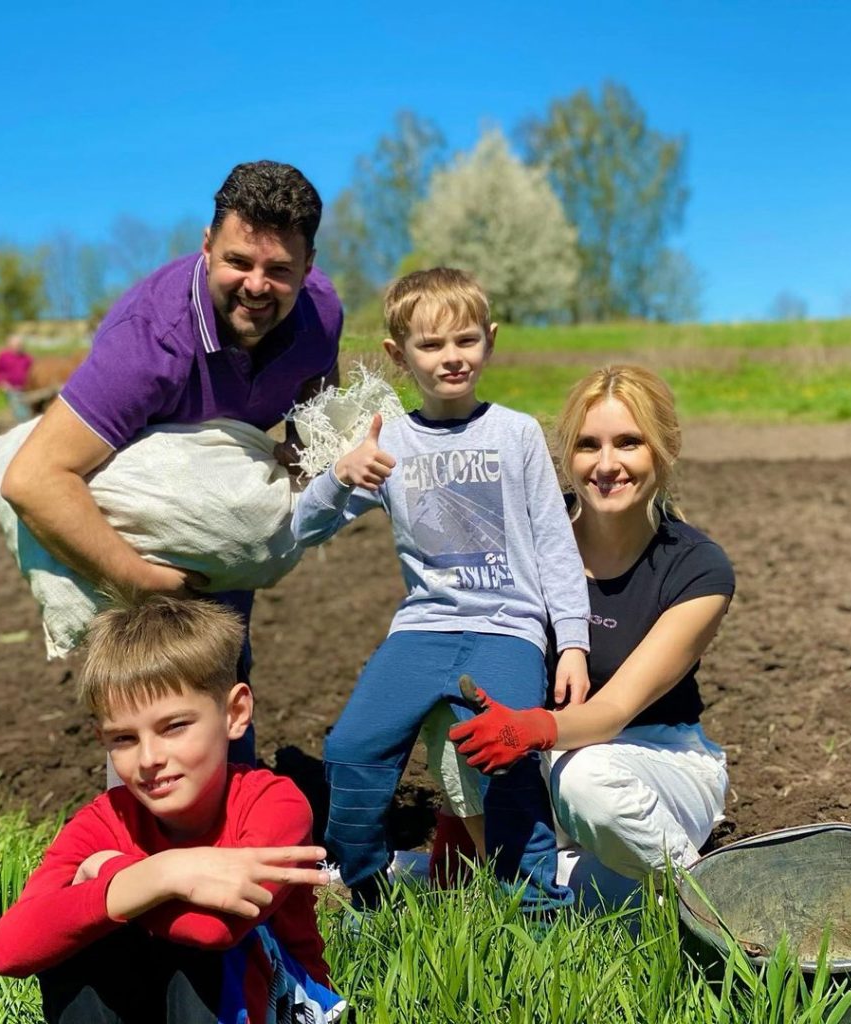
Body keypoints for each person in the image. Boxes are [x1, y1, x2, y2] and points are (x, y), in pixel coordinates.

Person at [291, 268, 591, 912]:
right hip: (421, 630)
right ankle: (365, 897)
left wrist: (570, 643)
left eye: (465, 340)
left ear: (490, 339)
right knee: (350, 749)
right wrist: (339, 475)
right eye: (430, 346)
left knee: (505, 758)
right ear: (400, 356)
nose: (451, 357)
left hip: (506, 630)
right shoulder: (387, 442)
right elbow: (303, 527)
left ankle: (537, 909)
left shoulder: (516, 434)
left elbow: (555, 544)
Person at [0, 161, 343, 718]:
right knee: (147, 683)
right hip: (138, 533)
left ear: (309, 266)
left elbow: (320, 380)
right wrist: (144, 581)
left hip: (219, 503)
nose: (257, 286)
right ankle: (138, 804)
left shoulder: (321, 313)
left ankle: (229, 790)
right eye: (237, 261)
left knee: (227, 667)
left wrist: (308, 448)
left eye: (279, 269)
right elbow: (33, 478)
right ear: (207, 246)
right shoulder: (149, 342)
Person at [450, 365, 734, 905]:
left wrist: (530, 729)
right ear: (565, 456)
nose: (606, 465)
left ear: (664, 450)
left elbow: (612, 712)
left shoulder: (698, 568)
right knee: (453, 722)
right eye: (587, 445)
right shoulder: (524, 535)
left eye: (629, 442)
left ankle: (714, 908)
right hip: (545, 757)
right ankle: (509, 885)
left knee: (587, 779)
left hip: (656, 762)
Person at [0, 595, 345, 1024]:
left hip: (280, 1005)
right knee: (77, 939)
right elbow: (9, 949)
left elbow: (215, 930)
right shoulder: (103, 819)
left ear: (235, 712)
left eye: (174, 727)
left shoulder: (272, 803)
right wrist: (164, 874)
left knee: (182, 945)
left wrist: (115, 870)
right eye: (123, 738)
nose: (148, 758)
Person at [0, 333, 34, 422]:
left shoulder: (27, 358)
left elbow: (33, 372)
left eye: (20, 345)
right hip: (12, 389)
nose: (19, 347)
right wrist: (2, 384)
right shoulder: (3, 357)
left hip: (26, 389)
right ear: (10, 345)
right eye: (17, 345)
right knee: (22, 413)